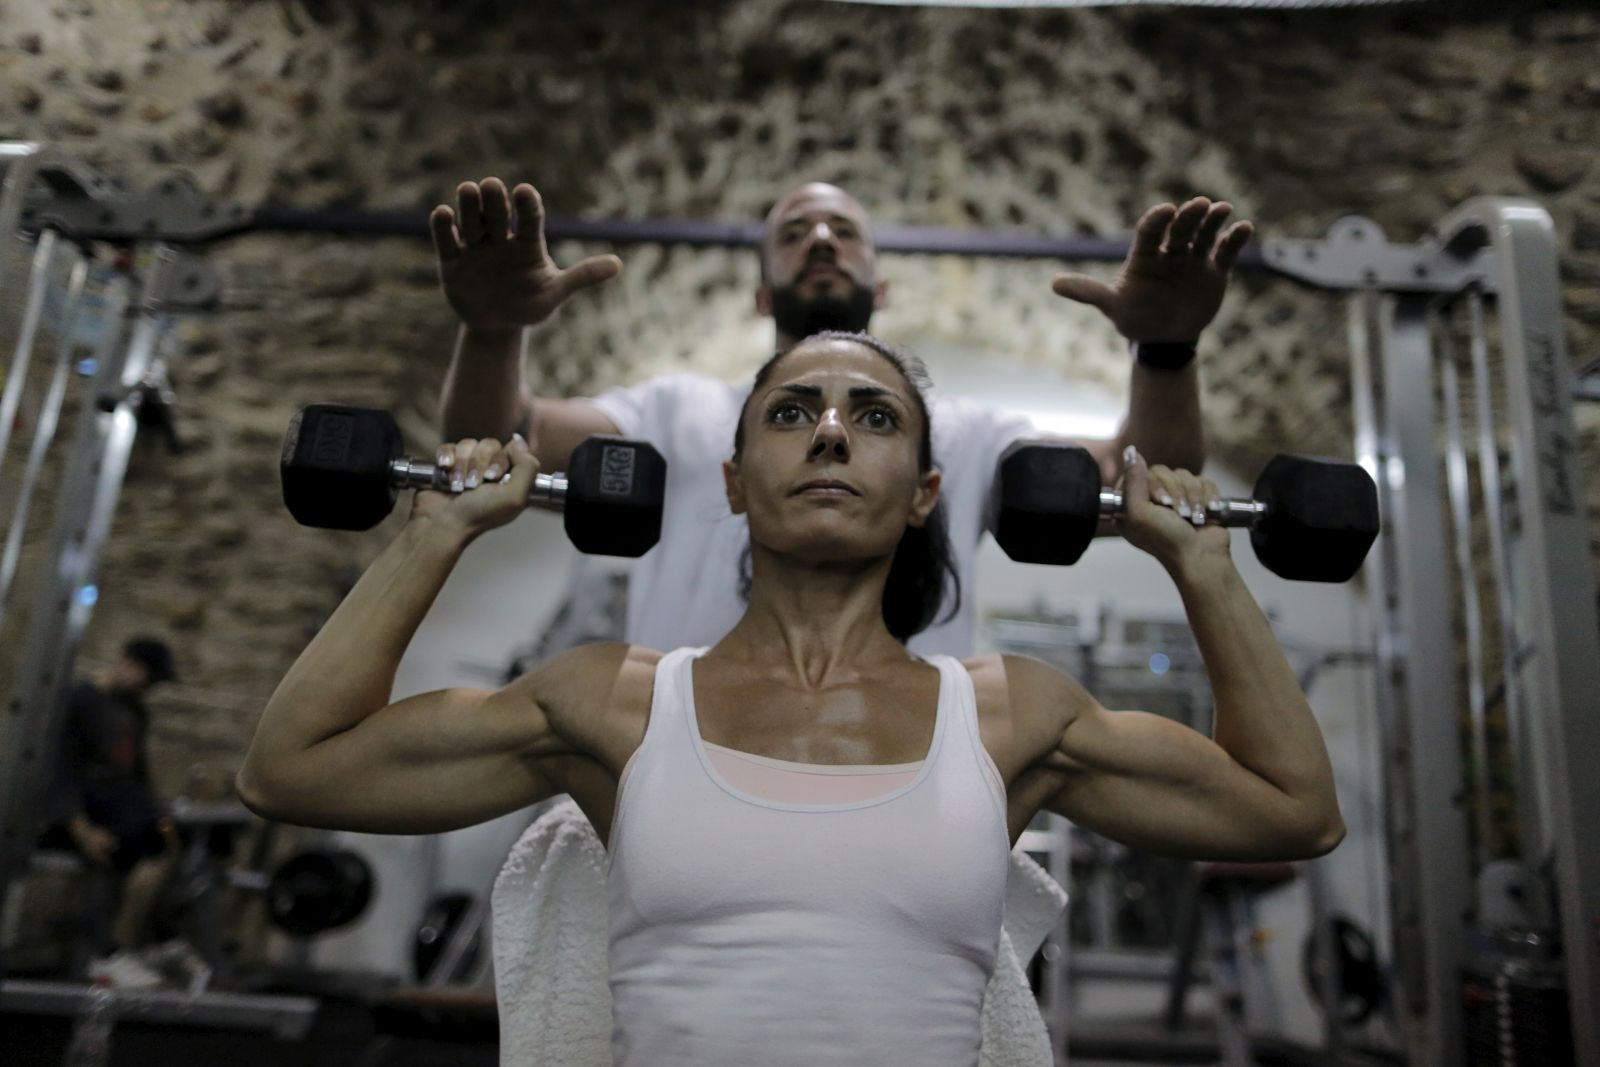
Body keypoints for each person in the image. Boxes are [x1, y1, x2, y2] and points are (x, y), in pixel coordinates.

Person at [238, 333, 1344, 1066]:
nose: (828, 430)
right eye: (791, 412)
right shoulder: (614, 702)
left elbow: (1291, 810)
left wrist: (1204, 569)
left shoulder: (1010, 716)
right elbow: (290, 769)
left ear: (922, 494)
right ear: (730, 482)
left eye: (871, 416)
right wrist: (434, 532)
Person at [430, 178, 1251, 655]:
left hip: (896, 768)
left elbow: (1148, 487)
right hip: (687, 762)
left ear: (882, 285)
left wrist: (1167, 353)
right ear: (759, 291)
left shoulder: (957, 431)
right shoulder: (678, 410)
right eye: (793, 232)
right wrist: (493, 331)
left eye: (843, 231)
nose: (820, 239)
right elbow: (498, 442)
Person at [37, 638, 179, 988]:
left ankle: (146, 944)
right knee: (153, 854)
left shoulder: (136, 711)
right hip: (91, 815)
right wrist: (81, 829)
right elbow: (62, 769)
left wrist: (159, 811)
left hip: (125, 812)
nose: (147, 688)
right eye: (146, 677)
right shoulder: (81, 701)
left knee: (169, 845)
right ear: (126, 662)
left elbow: (138, 774)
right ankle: (113, 954)